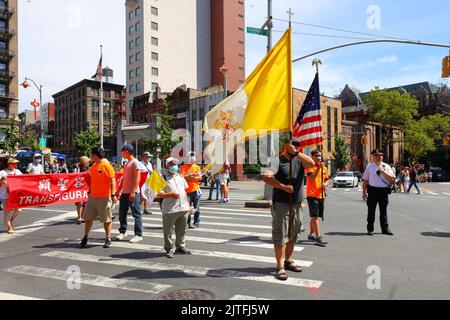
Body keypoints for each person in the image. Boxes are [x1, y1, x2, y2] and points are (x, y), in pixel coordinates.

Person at [263, 142, 315, 281]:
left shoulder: (300, 160)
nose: (292, 148)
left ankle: (289, 260)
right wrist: (283, 187)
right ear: (284, 147)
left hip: (297, 204)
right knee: (280, 235)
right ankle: (280, 266)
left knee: (293, 233)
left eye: (295, 147)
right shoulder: (277, 161)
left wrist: (297, 153)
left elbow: (311, 163)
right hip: (281, 204)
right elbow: (267, 177)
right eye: (290, 146)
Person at [80, 148, 117, 248]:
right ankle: (85, 237)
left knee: (107, 219)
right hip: (93, 196)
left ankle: (108, 238)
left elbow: (113, 181)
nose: (91, 157)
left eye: (92, 155)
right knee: (88, 218)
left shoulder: (107, 166)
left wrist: (113, 194)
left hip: (104, 197)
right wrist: (90, 190)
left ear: (95, 155)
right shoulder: (93, 167)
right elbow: (92, 180)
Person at [157, 157, 192, 258]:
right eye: (171, 164)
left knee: (182, 229)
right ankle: (169, 249)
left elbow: (185, 192)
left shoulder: (180, 176)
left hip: (183, 208)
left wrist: (188, 205)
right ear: (167, 165)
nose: (174, 166)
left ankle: (180, 246)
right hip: (170, 209)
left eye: (175, 164)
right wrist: (170, 195)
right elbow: (158, 194)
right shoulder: (162, 177)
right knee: (168, 231)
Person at [362, 150, 395, 236]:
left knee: (383, 211)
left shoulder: (386, 166)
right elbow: (365, 180)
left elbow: (391, 178)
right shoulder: (369, 167)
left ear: (382, 157)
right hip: (372, 191)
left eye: (380, 155)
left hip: (383, 191)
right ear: (373, 156)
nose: (379, 157)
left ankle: (385, 229)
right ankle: (370, 229)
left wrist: (383, 171)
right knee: (371, 211)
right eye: (377, 155)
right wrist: (363, 192)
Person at [115, 144, 143, 243]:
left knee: (136, 214)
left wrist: (134, 191)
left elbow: (137, 177)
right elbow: (124, 179)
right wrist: (119, 190)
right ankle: (123, 231)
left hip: (132, 193)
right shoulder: (127, 163)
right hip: (125, 192)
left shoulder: (135, 162)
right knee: (122, 214)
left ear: (127, 151)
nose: (122, 153)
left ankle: (138, 234)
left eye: (123, 151)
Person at [305, 150, 329, 247]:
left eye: (319, 155)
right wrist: (319, 168)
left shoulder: (325, 168)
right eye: (316, 156)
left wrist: (325, 184)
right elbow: (311, 178)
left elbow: (327, 180)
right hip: (312, 195)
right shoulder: (309, 167)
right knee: (315, 216)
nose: (318, 157)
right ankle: (318, 236)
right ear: (312, 157)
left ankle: (311, 234)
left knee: (316, 216)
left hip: (321, 195)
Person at [180, 152, 202, 229]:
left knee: (197, 208)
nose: (192, 161)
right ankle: (187, 223)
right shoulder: (183, 167)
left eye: (193, 159)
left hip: (195, 190)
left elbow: (199, 178)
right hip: (186, 191)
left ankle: (196, 222)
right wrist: (192, 176)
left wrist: (189, 177)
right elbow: (182, 177)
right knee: (187, 208)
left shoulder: (197, 167)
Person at [0, 157, 23, 234]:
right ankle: (9, 227)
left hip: (15, 194)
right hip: (5, 195)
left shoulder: (17, 171)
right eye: (13, 163)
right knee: (7, 212)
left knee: (18, 209)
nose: (15, 164)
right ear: (8, 164)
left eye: (16, 163)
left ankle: (10, 221)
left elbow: (23, 180)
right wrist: (1, 180)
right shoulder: (2, 172)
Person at [75, 156, 90, 225]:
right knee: (79, 203)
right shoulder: (77, 169)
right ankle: (79, 217)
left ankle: (82, 217)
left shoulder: (89, 169)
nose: (88, 163)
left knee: (85, 203)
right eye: (87, 162)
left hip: (86, 188)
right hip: (78, 187)